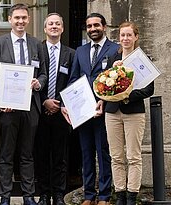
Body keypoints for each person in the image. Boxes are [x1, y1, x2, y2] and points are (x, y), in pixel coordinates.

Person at [0, 3, 46, 205]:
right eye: (17, 18)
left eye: (24, 18)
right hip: (7, 109)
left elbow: (44, 74)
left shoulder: (37, 44)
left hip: (31, 106)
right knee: (6, 153)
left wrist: (39, 83)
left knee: (27, 153)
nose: (20, 21)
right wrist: (2, 98)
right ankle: (5, 196)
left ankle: (28, 196)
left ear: (28, 20)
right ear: (10, 20)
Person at [62, 13, 119, 205]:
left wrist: (104, 99)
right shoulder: (80, 51)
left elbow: (117, 80)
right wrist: (67, 104)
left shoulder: (115, 49)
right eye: (89, 26)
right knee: (86, 153)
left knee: (103, 153)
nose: (93, 29)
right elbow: (73, 79)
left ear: (104, 27)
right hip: (83, 111)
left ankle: (104, 195)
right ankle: (89, 195)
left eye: (96, 25)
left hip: (105, 110)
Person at [104, 21, 154, 205]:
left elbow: (149, 90)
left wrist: (127, 96)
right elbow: (106, 85)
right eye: (122, 35)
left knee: (133, 156)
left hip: (133, 112)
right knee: (116, 156)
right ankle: (120, 195)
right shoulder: (112, 58)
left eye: (129, 35)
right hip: (112, 113)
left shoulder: (142, 60)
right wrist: (114, 71)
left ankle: (132, 195)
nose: (125, 38)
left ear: (136, 37)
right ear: (119, 38)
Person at [34, 13, 75, 205]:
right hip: (39, 111)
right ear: (45, 28)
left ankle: (59, 194)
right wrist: (44, 101)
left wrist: (59, 103)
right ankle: (43, 193)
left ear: (62, 28)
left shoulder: (71, 54)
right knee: (40, 154)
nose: (54, 26)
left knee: (60, 156)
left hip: (61, 112)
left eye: (58, 24)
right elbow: (33, 79)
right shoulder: (37, 50)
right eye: (51, 24)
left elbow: (73, 81)